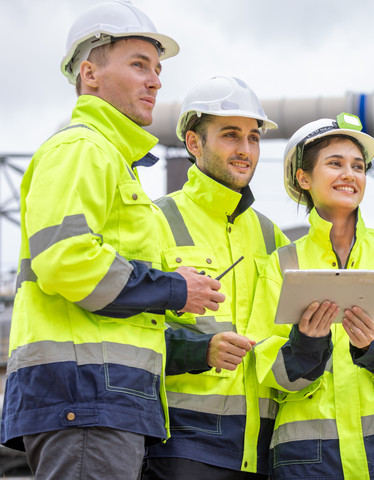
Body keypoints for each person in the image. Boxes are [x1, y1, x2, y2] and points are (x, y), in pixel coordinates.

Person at [0, 2, 225, 478]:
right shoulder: (81, 148)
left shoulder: (109, 159)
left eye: (158, 69)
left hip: (103, 397)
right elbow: (65, 259)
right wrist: (174, 288)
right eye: (138, 65)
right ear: (91, 74)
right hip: (84, 395)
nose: (156, 81)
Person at [247, 114, 374, 480]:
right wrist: (306, 344)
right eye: (335, 163)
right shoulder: (282, 264)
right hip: (309, 457)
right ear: (303, 178)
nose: (350, 174)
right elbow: (268, 370)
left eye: (358, 166)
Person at [142, 75, 290, 480]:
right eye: (230, 135)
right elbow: (128, 332)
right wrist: (199, 350)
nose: (245, 150)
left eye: (253, 138)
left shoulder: (271, 235)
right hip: (183, 445)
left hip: (263, 445)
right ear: (194, 143)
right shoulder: (153, 222)